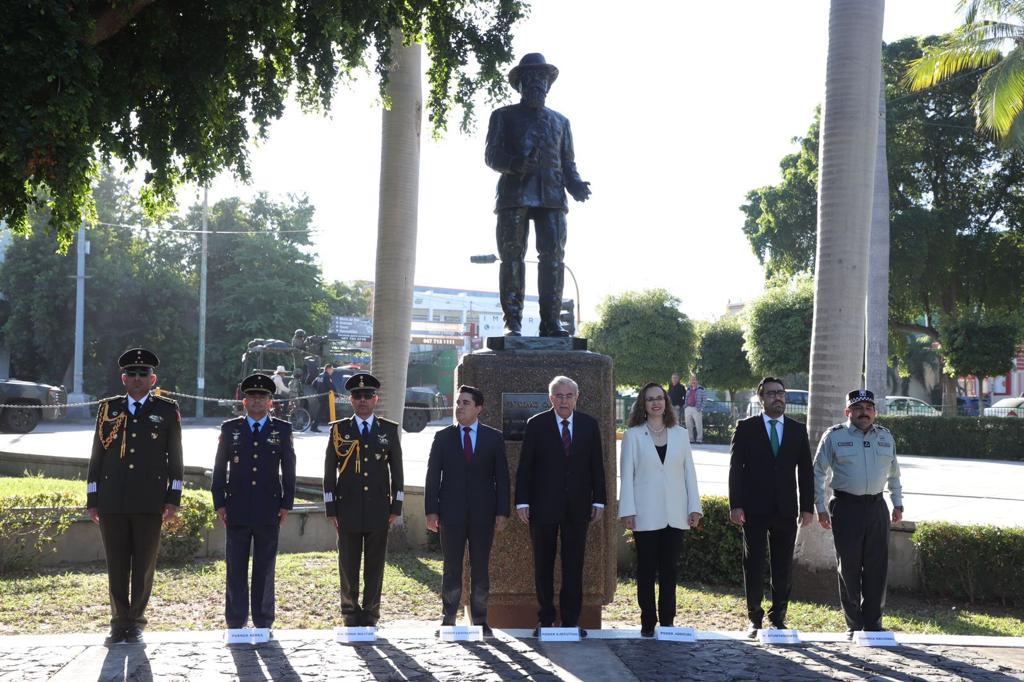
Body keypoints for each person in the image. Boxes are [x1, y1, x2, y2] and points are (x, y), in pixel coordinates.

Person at [485, 53, 591, 337]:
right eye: (530, 80)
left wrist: (577, 184)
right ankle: (513, 322)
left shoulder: (561, 122)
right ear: (519, 85)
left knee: (554, 258)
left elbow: (568, 163)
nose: (536, 85)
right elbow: (491, 155)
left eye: (541, 80)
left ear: (548, 85)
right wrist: (514, 164)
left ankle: (551, 323)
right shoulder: (503, 116)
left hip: (552, 198)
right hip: (514, 196)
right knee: (512, 257)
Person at [86, 348, 183, 645]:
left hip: (149, 500)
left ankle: (136, 623)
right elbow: (97, 456)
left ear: (152, 379)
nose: (138, 379)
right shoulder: (108, 410)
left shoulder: (166, 410)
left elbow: (175, 457)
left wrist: (173, 497)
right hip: (112, 499)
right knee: (116, 565)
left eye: (144, 374)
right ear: (123, 379)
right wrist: (93, 498)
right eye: (132, 374)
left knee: (143, 566)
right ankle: (118, 623)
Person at [515, 375, 606, 637]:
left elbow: (596, 467)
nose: (564, 400)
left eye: (569, 396)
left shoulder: (589, 425)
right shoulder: (536, 424)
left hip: (578, 508)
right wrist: (522, 501)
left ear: (577, 398)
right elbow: (525, 467)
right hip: (542, 507)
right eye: (559, 396)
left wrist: (598, 499)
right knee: (542, 564)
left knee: (573, 565)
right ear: (550, 398)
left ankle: (569, 622)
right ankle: (545, 619)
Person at [728, 377, 813, 638]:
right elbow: (736, 470)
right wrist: (736, 505)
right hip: (753, 508)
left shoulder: (798, 430)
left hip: (786, 509)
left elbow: (806, 472)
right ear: (761, 398)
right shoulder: (746, 428)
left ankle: (779, 617)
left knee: (782, 565)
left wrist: (807, 507)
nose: (778, 398)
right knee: (753, 563)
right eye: (772, 394)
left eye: (781, 393)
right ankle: (755, 616)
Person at [814, 389, 903, 638]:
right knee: (849, 567)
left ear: (874, 411)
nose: (864, 412)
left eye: (868, 408)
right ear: (848, 412)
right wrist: (820, 507)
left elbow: (894, 474)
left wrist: (897, 503)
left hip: (876, 507)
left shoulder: (885, 437)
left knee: (877, 567)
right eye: (858, 408)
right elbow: (817, 473)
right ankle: (854, 624)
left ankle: (873, 624)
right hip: (846, 507)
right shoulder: (834, 436)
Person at [211, 373, 296, 634]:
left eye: (263, 397)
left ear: (271, 402)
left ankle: (262, 622)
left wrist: (286, 504)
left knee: (265, 567)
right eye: (252, 397)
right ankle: (236, 623)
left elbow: (289, 468)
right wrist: (219, 502)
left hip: (268, 508)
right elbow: (218, 467)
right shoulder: (230, 429)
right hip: (236, 507)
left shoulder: (281, 429)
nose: (257, 401)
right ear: (244, 401)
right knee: (235, 568)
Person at [424, 385, 510, 636]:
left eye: (466, 403)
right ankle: (448, 618)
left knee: (480, 567)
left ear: (478, 408)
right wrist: (431, 511)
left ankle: (481, 620)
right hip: (450, 514)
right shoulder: (443, 437)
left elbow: (502, 478)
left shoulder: (493, 438)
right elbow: (432, 477)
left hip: (484, 514)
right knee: (452, 567)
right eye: (458, 402)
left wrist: (502, 512)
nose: (459, 407)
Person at [618, 382, 702, 637]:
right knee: (646, 569)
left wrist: (694, 507)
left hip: (675, 514)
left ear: (666, 402)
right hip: (644, 514)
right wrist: (628, 511)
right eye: (650, 399)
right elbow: (627, 476)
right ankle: (647, 620)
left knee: (669, 569)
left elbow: (690, 473)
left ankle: (667, 621)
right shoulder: (633, 435)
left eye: (660, 398)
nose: (656, 403)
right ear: (642, 405)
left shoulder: (679, 433)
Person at [322, 372, 404, 627]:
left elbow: (398, 472)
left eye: (367, 395)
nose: (362, 400)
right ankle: (349, 612)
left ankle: (371, 614)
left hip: (379, 509)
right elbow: (328, 472)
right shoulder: (339, 430)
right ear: (350, 399)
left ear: (375, 399)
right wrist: (330, 508)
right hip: (346, 509)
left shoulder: (388, 431)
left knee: (375, 565)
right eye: (357, 396)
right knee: (347, 564)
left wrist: (396, 506)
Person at [309, 363, 334, 433]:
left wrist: (318, 390)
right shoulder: (327, 376)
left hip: (320, 396)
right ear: (328, 369)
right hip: (325, 397)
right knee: (321, 412)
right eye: (332, 369)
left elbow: (313, 384)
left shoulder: (320, 375)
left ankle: (332, 425)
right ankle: (314, 427)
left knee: (324, 411)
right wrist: (337, 394)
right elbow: (331, 386)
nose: (332, 371)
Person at [684, 375, 706, 444]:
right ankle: (691, 439)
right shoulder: (688, 389)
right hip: (688, 408)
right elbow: (686, 398)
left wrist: (701, 408)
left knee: (698, 424)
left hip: (697, 409)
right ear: (690, 381)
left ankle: (699, 439)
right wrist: (685, 406)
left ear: (697, 381)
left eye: (694, 380)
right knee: (688, 425)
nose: (693, 381)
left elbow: (705, 399)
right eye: (692, 380)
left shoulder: (701, 389)